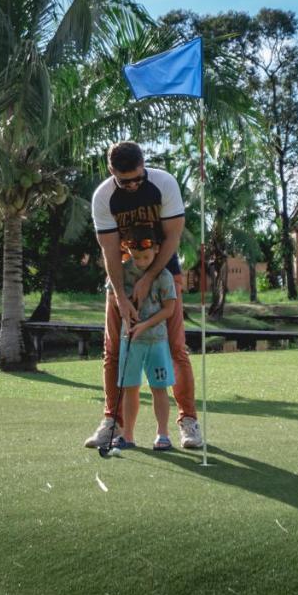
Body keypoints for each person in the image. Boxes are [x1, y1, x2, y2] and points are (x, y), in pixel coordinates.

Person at [84, 141, 203, 450]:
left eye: (138, 177)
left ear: (144, 165)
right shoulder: (103, 198)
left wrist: (150, 278)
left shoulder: (163, 183)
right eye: (126, 181)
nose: (134, 185)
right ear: (112, 172)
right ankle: (113, 422)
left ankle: (188, 422)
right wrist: (122, 299)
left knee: (176, 348)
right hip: (123, 275)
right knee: (113, 351)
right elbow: (110, 253)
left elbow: (174, 237)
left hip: (165, 269)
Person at [106, 234, 178, 452]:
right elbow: (113, 297)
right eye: (137, 258)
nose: (141, 263)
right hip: (131, 341)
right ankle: (127, 436)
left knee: (159, 388)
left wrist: (143, 325)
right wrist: (127, 316)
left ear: (156, 250)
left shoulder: (163, 275)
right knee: (130, 388)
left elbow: (169, 309)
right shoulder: (122, 272)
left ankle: (163, 434)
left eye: (146, 257)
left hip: (156, 340)